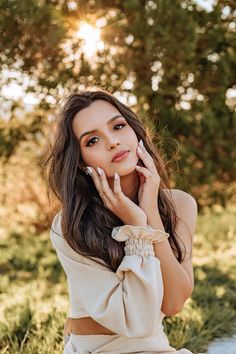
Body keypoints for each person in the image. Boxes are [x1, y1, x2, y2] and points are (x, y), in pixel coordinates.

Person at [43, 88, 198, 354]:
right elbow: (135, 320)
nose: (112, 142)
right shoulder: (70, 224)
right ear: (81, 163)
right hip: (96, 349)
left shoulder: (180, 205)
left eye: (118, 126)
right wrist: (136, 229)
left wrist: (149, 214)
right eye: (92, 141)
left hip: (156, 347)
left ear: (136, 132)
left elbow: (173, 303)